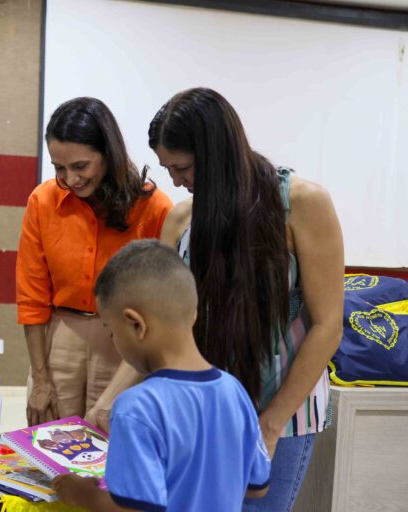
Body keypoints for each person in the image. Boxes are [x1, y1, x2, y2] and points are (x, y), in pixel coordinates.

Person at [90, 88, 344, 511]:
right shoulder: (182, 218)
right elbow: (155, 324)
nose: (176, 181)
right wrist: (108, 399)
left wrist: (271, 423)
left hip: (284, 415)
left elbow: (327, 325)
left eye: (184, 167)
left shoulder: (302, 204)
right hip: (201, 414)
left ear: (218, 153)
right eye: (168, 168)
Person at [53, 240, 271, 512]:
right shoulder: (234, 391)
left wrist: (80, 493)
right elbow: (258, 486)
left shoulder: (136, 406)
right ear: (192, 314)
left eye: (111, 330)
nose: (114, 342)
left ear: (136, 324)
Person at [17, 97, 173, 426]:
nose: (70, 179)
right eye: (59, 168)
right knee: (50, 444)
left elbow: (160, 308)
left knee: (113, 442)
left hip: (125, 345)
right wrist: (41, 379)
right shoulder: (42, 201)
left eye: (80, 166)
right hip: (59, 336)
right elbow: (32, 298)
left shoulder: (154, 208)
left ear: (108, 154)